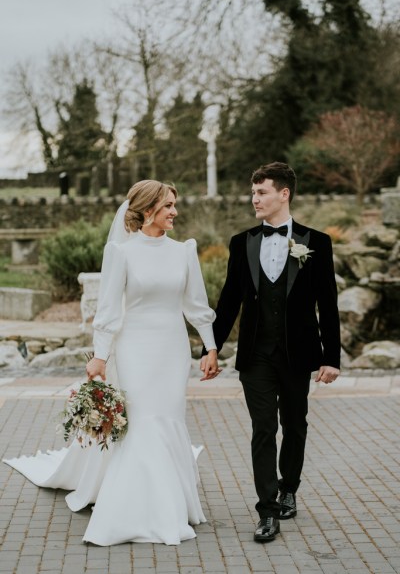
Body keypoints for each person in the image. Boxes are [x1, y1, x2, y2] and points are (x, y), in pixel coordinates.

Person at [4, 180, 220, 546]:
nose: (175, 212)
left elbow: (195, 305)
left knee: (168, 417)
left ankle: (172, 502)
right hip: (134, 347)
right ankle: (137, 509)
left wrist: (211, 347)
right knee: (143, 421)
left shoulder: (183, 251)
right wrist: (100, 357)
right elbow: (106, 313)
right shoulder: (122, 252)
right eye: (168, 205)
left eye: (174, 205)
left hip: (171, 349)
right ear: (148, 209)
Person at [201, 162, 341, 543]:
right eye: (252, 193)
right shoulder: (241, 242)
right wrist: (210, 347)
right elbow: (228, 301)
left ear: (284, 194)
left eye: (261, 193)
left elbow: (327, 305)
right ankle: (267, 510)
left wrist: (332, 357)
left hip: (299, 354)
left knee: (295, 425)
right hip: (255, 355)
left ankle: (288, 487)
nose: (254, 200)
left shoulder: (317, 242)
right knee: (264, 428)